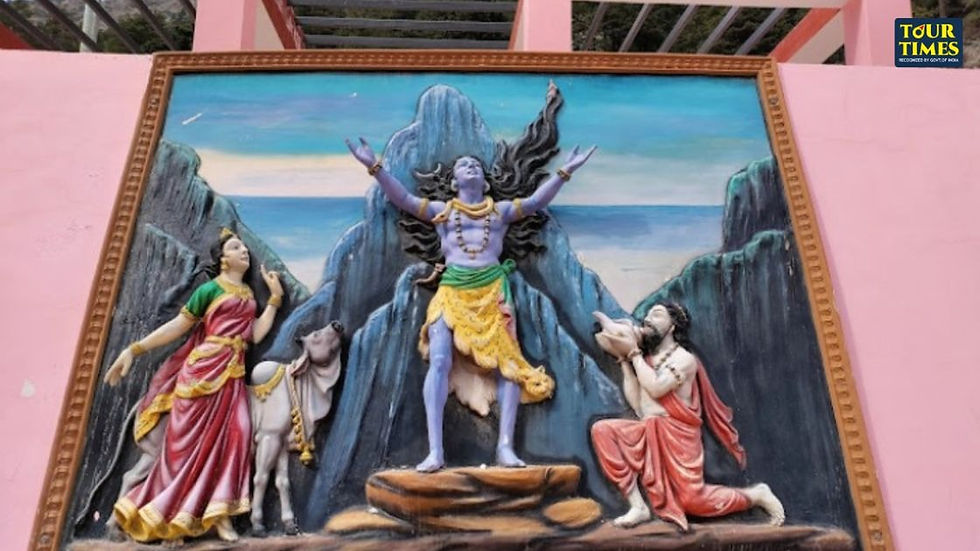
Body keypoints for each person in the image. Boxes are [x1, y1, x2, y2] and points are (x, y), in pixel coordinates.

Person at [347, 137, 595, 472]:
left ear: (486, 180)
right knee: (438, 361)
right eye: (464, 165)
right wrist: (373, 166)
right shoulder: (443, 212)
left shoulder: (501, 212)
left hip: (492, 293)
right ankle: (436, 452)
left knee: (507, 366)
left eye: (476, 165)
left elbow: (536, 201)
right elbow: (403, 199)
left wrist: (565, 171)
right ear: (453, 182)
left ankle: (505, 447)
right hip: (451, 291)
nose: (471, 166)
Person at [103, 228, 284, 543]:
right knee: (184, 449)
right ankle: (172, 514)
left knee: (239, 436)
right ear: (223, 259)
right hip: (202, 375)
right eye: (236, 248)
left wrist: (275, 300)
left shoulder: (249, 296)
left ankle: (220, 514)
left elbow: (253, 335)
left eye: (244, 248)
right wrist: (134, 350)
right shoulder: (210, 290)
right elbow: (179, 326)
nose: (245, 252)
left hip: (232, 375)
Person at [591, 303, 785, 530]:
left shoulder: (684, 360)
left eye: (657, 314)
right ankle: (639, 506)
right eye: (647, 315)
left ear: (673, 326)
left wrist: (633, 353)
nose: (648, 319)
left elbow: (655, 388)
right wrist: (623, 360)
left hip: (678, 438)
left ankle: (755, 495)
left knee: (692, 501)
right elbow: (638, 406)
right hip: (649, 429)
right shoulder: (648, 361)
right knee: (602, 430)